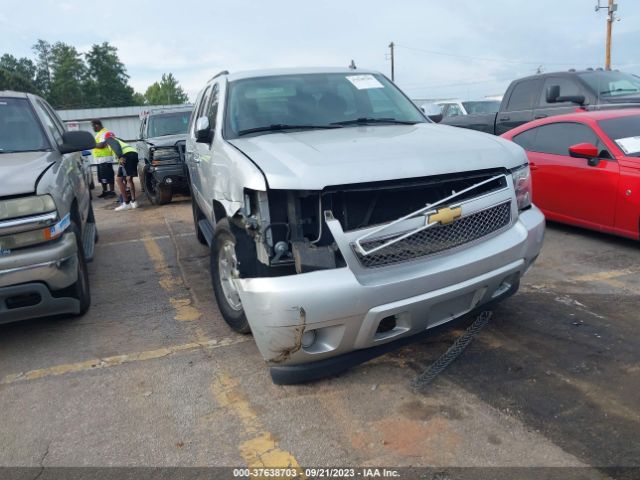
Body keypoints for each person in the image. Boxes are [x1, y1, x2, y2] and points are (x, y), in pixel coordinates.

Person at [104, 135, 139, 211]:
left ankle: (126, 203)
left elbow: (116, 147)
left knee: (118, 179)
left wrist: (120, 157)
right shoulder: (120, 140)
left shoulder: (109, 139)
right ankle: (133, 202)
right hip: (134, 154)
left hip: (126, 156)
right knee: (129, 178)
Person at [91, 119, 116, 198]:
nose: (93, 128)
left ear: (97, 125)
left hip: (105, 158)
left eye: (93, 126)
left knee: (108, 176)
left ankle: (112, 192)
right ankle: (105, 191)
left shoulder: (104, 132)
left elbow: (102, 145)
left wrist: (92, 144)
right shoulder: (99, 133)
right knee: (102, 177)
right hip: (99, 160)